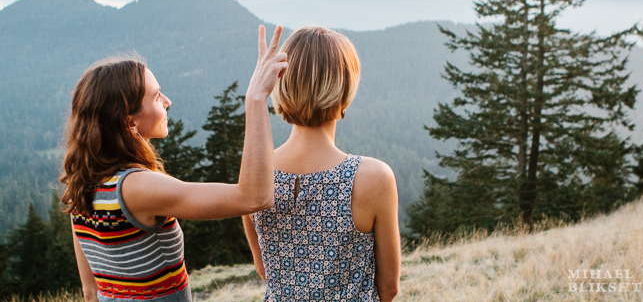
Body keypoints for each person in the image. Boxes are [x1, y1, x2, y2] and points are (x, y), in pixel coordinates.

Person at [61, 25, 288, 302]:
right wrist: (256, 98)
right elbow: (254, 197)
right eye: (156, 96)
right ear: (130, 122)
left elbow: (91, 290)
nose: (167, 102)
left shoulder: (82, 183)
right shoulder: (136, 187)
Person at [243, 26, 401, 302]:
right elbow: (389, 288)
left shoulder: (256, 173)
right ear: (344, 93)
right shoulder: (373, 178)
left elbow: (263, 268)